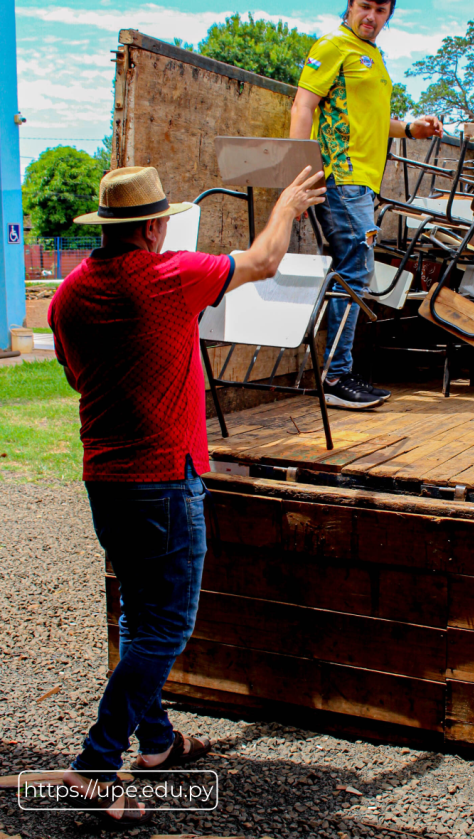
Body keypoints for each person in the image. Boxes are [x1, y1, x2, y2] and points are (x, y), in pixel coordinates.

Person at [49, 164, 325, 826]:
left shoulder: (67, 296)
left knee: (138, 614)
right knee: (165, 628)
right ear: (151, 227)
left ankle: (158, 743)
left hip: (105, 478)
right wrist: (286, 204)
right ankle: (95, 763)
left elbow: (73, 378)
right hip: (163, 482)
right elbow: (262, 260)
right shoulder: (170, 278)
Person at [290, 0, 443, 410]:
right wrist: (298, 178)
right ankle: (336, 378)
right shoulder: (333, 46)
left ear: (388, 16)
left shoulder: (372, 56)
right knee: (354, 272)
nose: (371, 17)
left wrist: (410, 128)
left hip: (362, 182)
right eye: (365, 7)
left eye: (380, 11)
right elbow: (304, 105)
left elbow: (372, 121)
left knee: (352, 272)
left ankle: (339, 373)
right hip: (340, 177)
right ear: (350, 4)